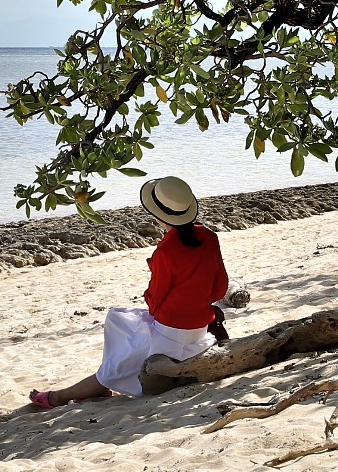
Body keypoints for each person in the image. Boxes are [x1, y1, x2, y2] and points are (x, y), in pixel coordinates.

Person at [29, 175, 228, 408]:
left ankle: (59, 396)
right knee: (119, 322)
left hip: (171, 333)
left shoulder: (166, 251)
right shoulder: (209, 236)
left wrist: (161, 305)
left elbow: (155, 299)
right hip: (198, 329)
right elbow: (220, 288)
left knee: (117, 333)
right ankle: (96, 386)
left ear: (157, 215)